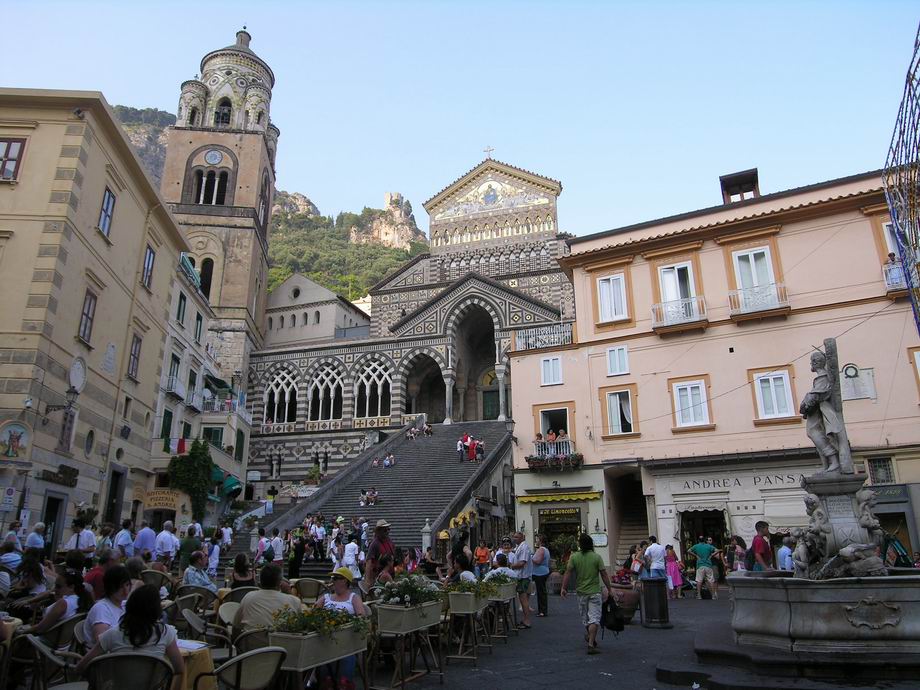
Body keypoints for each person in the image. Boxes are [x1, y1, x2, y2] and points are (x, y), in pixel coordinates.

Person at [76, 584, 185, 677]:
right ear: (156, 609)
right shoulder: (165, 633)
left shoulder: (112, 634)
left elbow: (81, 667)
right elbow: (179, 668)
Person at [314, 567, 369, 688]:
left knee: (346, 651)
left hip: (346, 640)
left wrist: (347, 622)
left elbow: (362, 617)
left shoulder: (353, 597)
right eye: (332, 578)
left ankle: (342, 682)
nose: (332, 580)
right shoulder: (326, 597)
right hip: (325, 639)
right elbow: (313, 614)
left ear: (345, 581)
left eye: (336, 578)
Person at [561, 533, 613, 655]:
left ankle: (590, 638)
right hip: (594, 592)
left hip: (581, 593)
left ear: (580, 545)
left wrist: (564, 587)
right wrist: (609, 589)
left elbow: (568, 573)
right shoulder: (597, 557)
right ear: (591, 544)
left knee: (586, 619)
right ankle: (591, 643)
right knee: (594, 619)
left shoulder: (574, 557)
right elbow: (604, 574)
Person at [20, 569, 93, 639]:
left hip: (44, 643)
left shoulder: (63, 604)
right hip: (63, 644)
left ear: (71, 587)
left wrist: (22, 630)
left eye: (58, 586)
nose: (55, 589)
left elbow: (40, 629)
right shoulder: (81, 600)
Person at [233, 563, 302, 630]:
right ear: (279, 582)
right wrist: (289, 595)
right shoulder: (295, 601)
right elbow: (299, 628)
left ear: (260, 581)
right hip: (281, 641)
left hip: (252, 641)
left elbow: (236, 625)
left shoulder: (248, 597)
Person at [84, 564, 132, 644]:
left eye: (127, 585)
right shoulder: (101, 609)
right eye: (120, 587)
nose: (126, 591)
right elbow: (101, 643)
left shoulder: (124, 605)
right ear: (110, 587)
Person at [509, 531, 533, 629]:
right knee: (522, 599)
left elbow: (522, 563)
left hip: (523, 576)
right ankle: (525, 619)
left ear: (522, 538)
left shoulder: (524, 547)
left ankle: (527, 621)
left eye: (517, 537)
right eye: (514, 537)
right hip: (520, 576)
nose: (515, 539)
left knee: (523, 599)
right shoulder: (519, 547)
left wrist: (510, 566)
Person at [365, 519, 395, 588]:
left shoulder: (389, 541)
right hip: (380, 575)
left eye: (388, 529)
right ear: (379, 531)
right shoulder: (375, 543)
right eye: (385, 530)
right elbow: (368, 561)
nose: (387, 532)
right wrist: (367, 580)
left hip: (390, 572)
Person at [531, 534, 551, 617]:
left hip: (540, 573)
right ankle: (542, 610)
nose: (536, 541)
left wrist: (531, 558)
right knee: (541, 592)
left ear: (540, 540)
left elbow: (538, 561)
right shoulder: (545, 549)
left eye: (537, 539)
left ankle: (542, 611)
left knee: (541, 592)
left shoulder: (541, 550)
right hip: (542, 572)